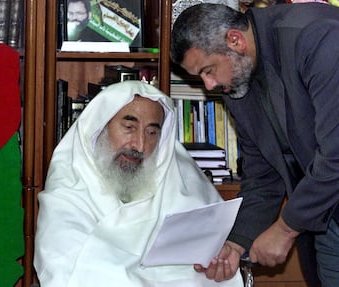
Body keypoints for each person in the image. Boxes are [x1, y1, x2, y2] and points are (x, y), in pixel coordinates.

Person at [170, 2, 339, 287]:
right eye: (199, 77)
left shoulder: (317, 37)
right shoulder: (237, 79)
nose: (208, 85)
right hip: (325, 216)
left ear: (235, 40)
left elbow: (336, 153)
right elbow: (262, 171)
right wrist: (236, 243)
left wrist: (285, 229)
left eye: (208, 70)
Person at [33, 81, 244, 287]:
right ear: (100, 127)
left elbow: (210, 261)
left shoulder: (184, 186)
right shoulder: (67, 193)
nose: (140, 145)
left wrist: (219, 263)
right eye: (129, 127)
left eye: (152, 133)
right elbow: (65, 272)